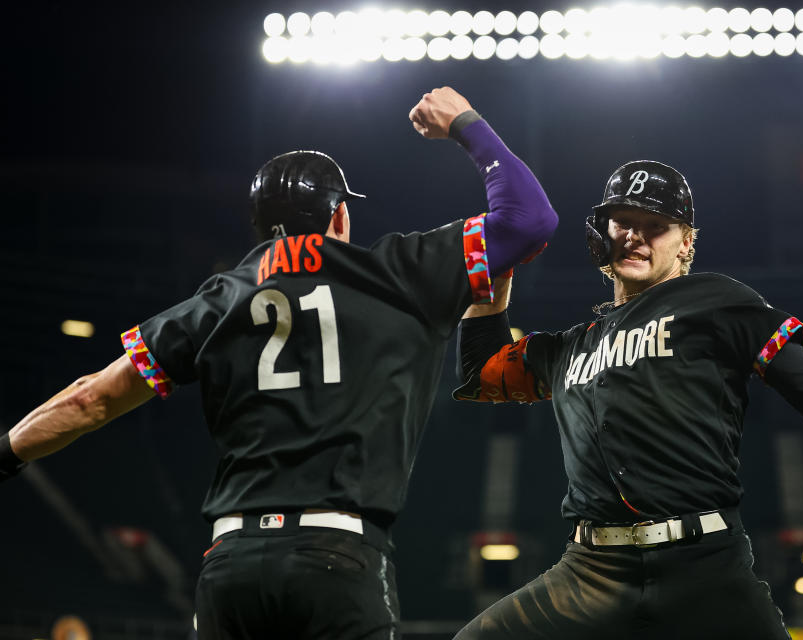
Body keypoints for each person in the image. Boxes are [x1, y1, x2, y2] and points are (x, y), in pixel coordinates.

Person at [0, 87, 558, 639]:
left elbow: (88, 400)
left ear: (261, 226)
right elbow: (530, 219)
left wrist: (5, 453)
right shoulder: (400, 272)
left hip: (231, 565)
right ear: (340, 216)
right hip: (337, 554)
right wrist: (466, 123)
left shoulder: (214, 302)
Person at [453, 160, 803, 639]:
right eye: (623, 222)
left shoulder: (717, 300)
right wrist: (492, 274)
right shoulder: (570, 346)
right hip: (592, 572)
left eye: (656, 225)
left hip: (704, 567)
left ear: (686, 241)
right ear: (601, 234)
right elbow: (481, 372)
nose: (635, 236)